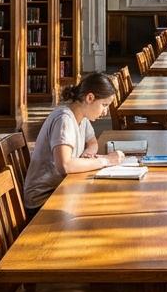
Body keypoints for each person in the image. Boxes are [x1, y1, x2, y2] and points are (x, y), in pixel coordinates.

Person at [21, 72, 124, 217]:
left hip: (62, 188)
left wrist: (89, 153)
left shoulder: (83, 118)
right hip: (43, 200)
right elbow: (65, 165)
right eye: (104, 105)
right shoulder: (65, 120)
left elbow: (92, 142)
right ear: (90, 98)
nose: (105, 112)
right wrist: (105, 160)